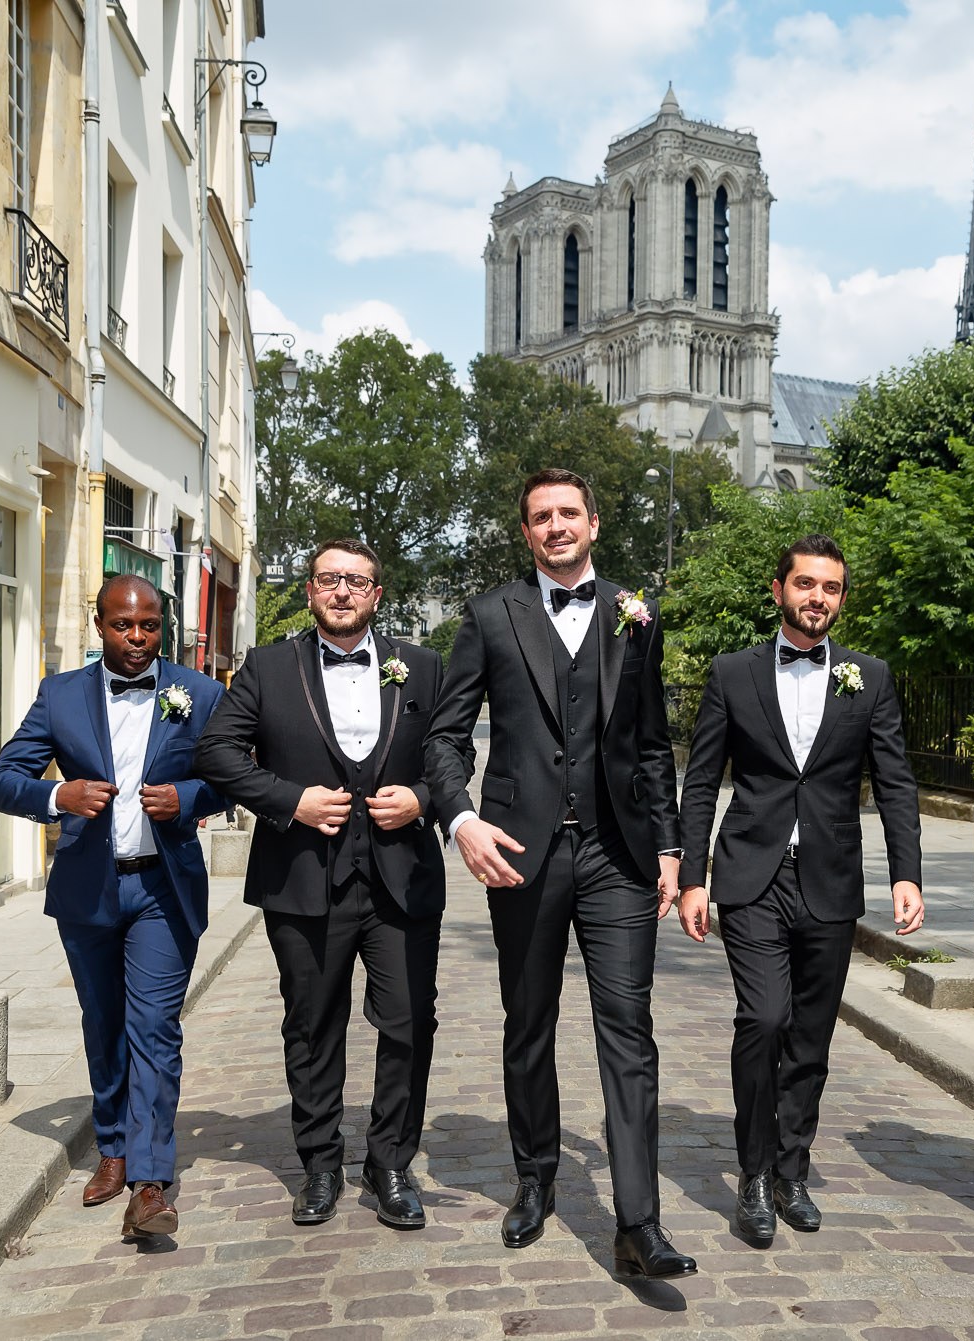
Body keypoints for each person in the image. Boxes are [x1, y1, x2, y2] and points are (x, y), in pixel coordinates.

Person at [422, 467, 696, 1279]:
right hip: (521, 851)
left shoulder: (632, 615)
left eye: (568, 512)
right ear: (525, 532)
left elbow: (652, 742)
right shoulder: (488, 616)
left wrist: (672, 845)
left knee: (629, 1029)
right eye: (540, 516)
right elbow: (444, 738)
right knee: (528, 1021)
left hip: (619, 853)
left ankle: (638, 1221)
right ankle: (535, 1177)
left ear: (595, 523)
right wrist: (463, 819)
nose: (555, 526)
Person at [676, 534, 925, 1247]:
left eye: (832, 587)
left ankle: (792, 1169)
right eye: (807, 584)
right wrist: (693, 878)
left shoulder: (869, 677)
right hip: (751, 875)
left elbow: (896, 782)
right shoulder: (732, 672)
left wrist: (905, 871)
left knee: (810, 1035)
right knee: (763, 1018)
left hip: (830, 878)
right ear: (778, 589)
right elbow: (700, 784)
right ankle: (753, 1174)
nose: (819, 597)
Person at [193, 539, 446, 1231]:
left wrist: (423, 796)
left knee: (408, 1024)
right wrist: (289, 799)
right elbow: (214, 750)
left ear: (377, 595)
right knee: (312, 1025)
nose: (342, 591)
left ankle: (391, 1163)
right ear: (309, 590)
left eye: (356, 581)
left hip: (402, 878)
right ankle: (320, 1164)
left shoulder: (420, 666)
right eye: (330, 579)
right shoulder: (270, 667)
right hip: (303, 878)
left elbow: (454, 753)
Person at [0, 575, 226, 1239]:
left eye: (150, 625)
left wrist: (190, 797)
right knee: (104, 1021)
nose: (138, 638)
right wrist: (58, 798)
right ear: (99, 626)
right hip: (88, 888)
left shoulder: (198, 693)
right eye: (124, 625)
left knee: (155, 1028)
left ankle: (150, 1182)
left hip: (162, 889)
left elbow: (230, 777)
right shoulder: (60, 695)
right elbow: (1, 779)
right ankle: (113, 1147)